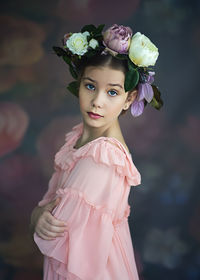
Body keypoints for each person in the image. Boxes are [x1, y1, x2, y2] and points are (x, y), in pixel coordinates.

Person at [30, 24, 163, 280]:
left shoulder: (103, 157)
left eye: (112, 92)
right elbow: (47, 211)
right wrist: (37, 216)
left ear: (129, 98)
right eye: (90, 86)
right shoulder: (79, 138)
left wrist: (39, 217)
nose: (97, 101)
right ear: (78, 84)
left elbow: (70, 251)